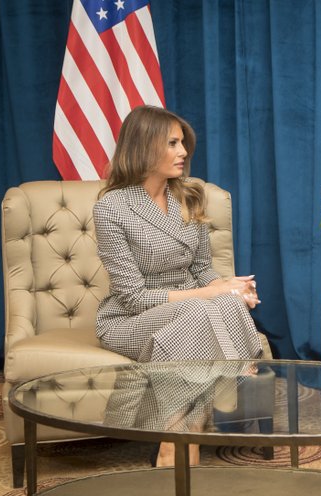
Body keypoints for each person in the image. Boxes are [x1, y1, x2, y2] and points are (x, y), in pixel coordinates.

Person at [93, 105, 263, 467]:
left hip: (188, 315)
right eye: (172, 143)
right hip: (129, 319)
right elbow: (133, 297)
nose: (183, 152)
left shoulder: (188, 196)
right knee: (205, 307)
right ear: (143, 146)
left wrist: (231, 288)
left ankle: (181, 439)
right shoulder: (111, 208)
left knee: (217, 305)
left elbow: (202, 268)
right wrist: (210, 294)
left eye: (182, 143)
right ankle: (229, 382)